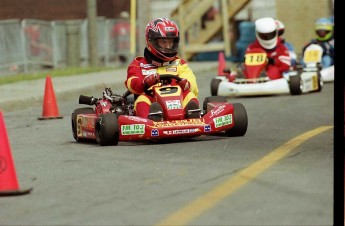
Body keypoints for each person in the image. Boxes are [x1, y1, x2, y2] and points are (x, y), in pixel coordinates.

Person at [124, 18, 199, 121]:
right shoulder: (138, 64)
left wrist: (187, 84)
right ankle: (151, 119)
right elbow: (131, 84)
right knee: (142, 99)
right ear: (151, 41)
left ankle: (192, 115)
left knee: (189, 95)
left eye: (171, 42)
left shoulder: (179, 63)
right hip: (152, 99)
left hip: (177, 101)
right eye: (163, 42)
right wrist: (145, 82)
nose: (168, 46)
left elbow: (192, 83)